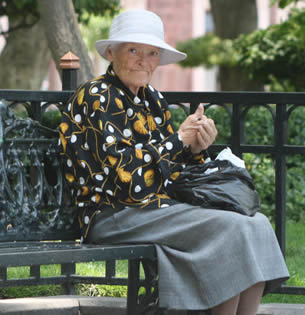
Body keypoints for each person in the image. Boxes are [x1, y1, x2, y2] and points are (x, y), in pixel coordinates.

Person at [59, 9, 289, 315]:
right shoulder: (95, 96)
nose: (144, 60)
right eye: (133, 50)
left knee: (255, 223)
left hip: (156, 207)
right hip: (112, 213)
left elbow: (174, 170)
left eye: (152, 52)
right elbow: (124, 181)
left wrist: (196, 149)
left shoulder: (152, 98)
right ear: (111, 53)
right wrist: (178, 140)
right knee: (231, 228)